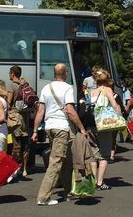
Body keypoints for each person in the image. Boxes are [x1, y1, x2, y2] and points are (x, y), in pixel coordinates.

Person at [32, 63, 87, 206]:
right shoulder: (68, 88)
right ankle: (43, 197)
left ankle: (69, 191)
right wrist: (81, 127)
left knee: (66, 161)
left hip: (49, 128)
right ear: (66, 73)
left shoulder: (46, 88)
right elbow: (69, 110)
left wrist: (34, 130)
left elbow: (40, 111)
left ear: (54, 74)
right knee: (55, 163)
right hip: (62, 128)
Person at [88, 68, 123, 190]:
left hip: (91, 125)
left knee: (93, 153)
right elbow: (114, 104)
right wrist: (119, 116)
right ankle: (100, 182)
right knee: (104, 154)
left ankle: (92, 180)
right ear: (107, 80)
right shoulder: (107, 90)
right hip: (104, 125)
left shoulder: (92, 91)